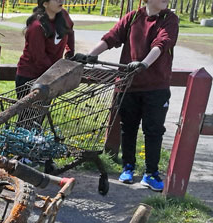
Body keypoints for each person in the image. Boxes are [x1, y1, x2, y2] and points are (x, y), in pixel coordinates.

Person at [74, 0, 179, 191]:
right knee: (127, 129)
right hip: (128, 86)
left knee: (153, 131)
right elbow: (111, 37)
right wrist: (90, 55)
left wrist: (144, 63)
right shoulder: (133, 18)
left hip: (156, 87)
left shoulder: (169, 19)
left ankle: (151, 173)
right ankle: (128, 167)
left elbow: (161, 44)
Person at [16, 0, 75, 91]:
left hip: (49, 76)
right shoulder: (37, 27)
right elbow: (39, 58)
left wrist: (70, 54)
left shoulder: (63, 14)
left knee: (46, 106)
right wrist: (58, 72)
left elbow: (70, 32)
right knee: (30, 106)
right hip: (30, 77)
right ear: (45, 3)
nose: (61, 0)